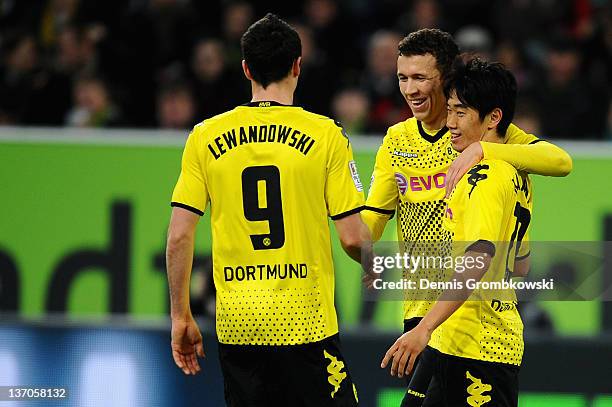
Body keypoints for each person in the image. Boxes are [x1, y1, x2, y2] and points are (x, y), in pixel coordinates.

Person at [166, 14, 369, 406]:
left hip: (239, 326)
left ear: (246, 68)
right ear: (297, 65)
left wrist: (180, 315)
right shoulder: (326, 134)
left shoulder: (204, 136)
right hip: (305, 322)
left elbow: (178, 235)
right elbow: (352, 237)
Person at [361, 29, 572, 406]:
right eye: (402, 78)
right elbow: (369, 226)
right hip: (426, 316)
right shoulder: (397, 140)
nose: (410, 89)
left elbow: (560, 162)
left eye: (420, 78)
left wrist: (483, 151)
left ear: (445, 79)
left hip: (467, 324)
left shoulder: (487, 143)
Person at [381, 57, 537, 407]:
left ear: (494, 118)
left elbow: (477, 259)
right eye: (449, 110)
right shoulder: (516, 171)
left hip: (478, 347)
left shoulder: (486, 177)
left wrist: (422, 328)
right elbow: (522, 264)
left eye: (461, 113)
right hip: (457, 339)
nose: (450, 123)